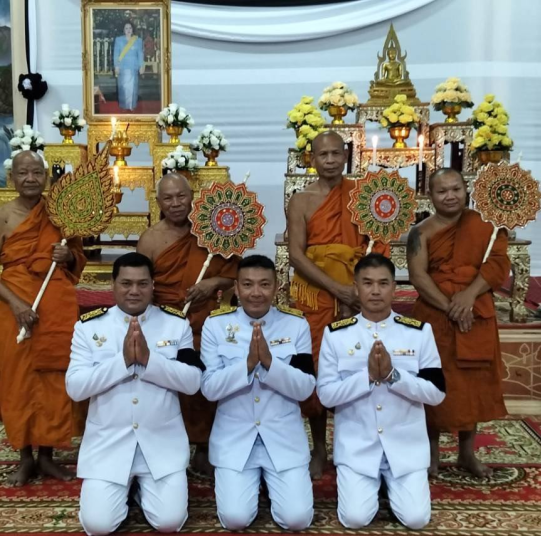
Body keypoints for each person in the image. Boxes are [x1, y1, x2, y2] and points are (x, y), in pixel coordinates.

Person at [66, 252, 204, 535]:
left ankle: (139, 493)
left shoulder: (176, 324)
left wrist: (150, 362)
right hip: (109, 445)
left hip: (161, 444)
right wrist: (123, 363)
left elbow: (192, 382)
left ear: (153, 285)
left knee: (169, 523)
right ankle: (124, 491)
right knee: (98, 526)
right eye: (126, 283)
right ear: (113, 285)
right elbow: (76, 387)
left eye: (142, 284)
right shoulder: (89, 327)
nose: (134, 291)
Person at [286, 130, 391, 478]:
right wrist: (337, 290)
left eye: (336, 154)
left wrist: (357, 293)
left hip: (358, 295)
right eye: (322, 155)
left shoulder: (363, 196)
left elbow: (377, 247)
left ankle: (358, 443)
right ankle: (318, 446)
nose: (329, 161)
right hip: (316, 295)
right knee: (316, 370)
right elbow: (297, 256)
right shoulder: (300, 200)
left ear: (346, 156)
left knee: (357, 367)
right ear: (311, 159)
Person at [0, 151, 85, 486]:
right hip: (15, 309)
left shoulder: (62, 214)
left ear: (45, 178)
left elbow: (77, 262)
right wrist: (16, 304)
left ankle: (49, 456)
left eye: (36, 172)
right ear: (12, 178)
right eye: (23, 173)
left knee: (54, 376)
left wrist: (68, 256)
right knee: (18, 379)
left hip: (54, 306)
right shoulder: (2, 217)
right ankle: (25, 457)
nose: (30, 179)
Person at [317, 254, 445, 530]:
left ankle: (390, 486)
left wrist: (392, 376)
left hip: (406, 446)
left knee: (416, 520)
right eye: (368, 283)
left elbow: (436, 393)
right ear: (356, 288)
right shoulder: (336, 334)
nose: (375, 291)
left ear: (395, 288)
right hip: (357, 447)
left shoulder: (419, 333)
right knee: (354, 519)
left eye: (383, 283)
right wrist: (367, 377)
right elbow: (326, 395)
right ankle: (371, 485)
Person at [200, 255, 315, 531]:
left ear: (277, 287)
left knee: (296, 520)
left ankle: (271, 485)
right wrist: (248, 365)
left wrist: (271, 365)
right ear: (236, 288)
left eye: (264, 284)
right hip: (235, 440)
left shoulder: (296, 325)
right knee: (235, 520)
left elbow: (305, 387)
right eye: (247, 285)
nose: (256, 293)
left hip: (283, 438)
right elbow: (209, 388)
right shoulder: (215, 326)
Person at [406, 168, 509, 478]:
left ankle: (467, 453)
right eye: (442, 191)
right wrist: (451, 306)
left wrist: (469, 296)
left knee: (472, 383)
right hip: (436, 314)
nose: (450, 196)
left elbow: (498, 265)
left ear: (467, 190)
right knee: (433, 382)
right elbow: (418, 276)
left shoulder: (487, 227)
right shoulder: (420, 232)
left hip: (475, 311)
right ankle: (431, 455)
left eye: (456, 189)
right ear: (430, 195)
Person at [137, 171, 239, 475]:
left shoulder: (212, 230)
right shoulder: (150, 239)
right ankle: (166, 442)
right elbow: (141, 285)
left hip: (203, 319)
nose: (176, 203)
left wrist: (211, 284)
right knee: (167, 382)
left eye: (181, 196)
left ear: (192, 196)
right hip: (165, 320)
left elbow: (235, 274)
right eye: (168, 198)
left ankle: (204, 445)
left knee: (203, 378)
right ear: (158, 202)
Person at [112, 20, 143, 112]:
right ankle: (124, 106)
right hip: (122, 67)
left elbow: (140, 54)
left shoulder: (138, 40)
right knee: (123, 87)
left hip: (133, 67)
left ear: (133, 29)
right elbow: (116, 54)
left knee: (133, 87)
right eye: (126, 28)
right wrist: (116, 66)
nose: (128, 30)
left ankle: (132, 105)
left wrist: (141, 65)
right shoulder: (119, 40)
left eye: (130, 28)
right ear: (123, 30)